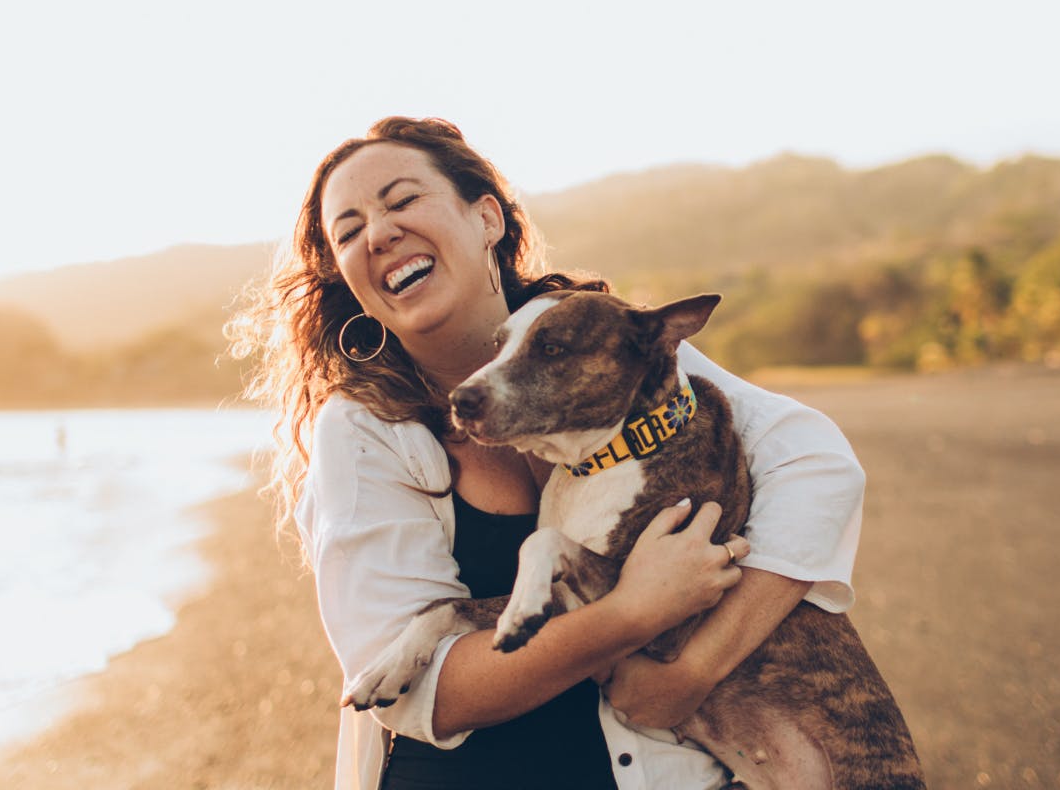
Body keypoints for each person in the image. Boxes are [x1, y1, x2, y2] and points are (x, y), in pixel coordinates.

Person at [233, 117, 865, 790]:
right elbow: (427, 691)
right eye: (349, 230)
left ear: (487, 219)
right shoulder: (363, 429)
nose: (378, 233)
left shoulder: (612, 341)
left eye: (400, 200)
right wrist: (632, 613)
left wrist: (694, 670)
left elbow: (815, 462)